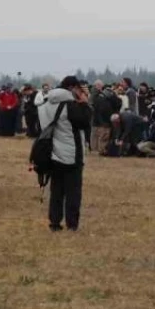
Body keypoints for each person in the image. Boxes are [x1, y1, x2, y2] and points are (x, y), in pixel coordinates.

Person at [36, 76, 93, 232]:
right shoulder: (70, 105)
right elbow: (85, 122)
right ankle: (72, 224)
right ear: (72, 88)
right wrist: (85, 103)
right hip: (71, 153)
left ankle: (54, 222)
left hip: (52, 152)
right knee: (73, 192)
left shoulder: (46, 102)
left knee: (56, 191)